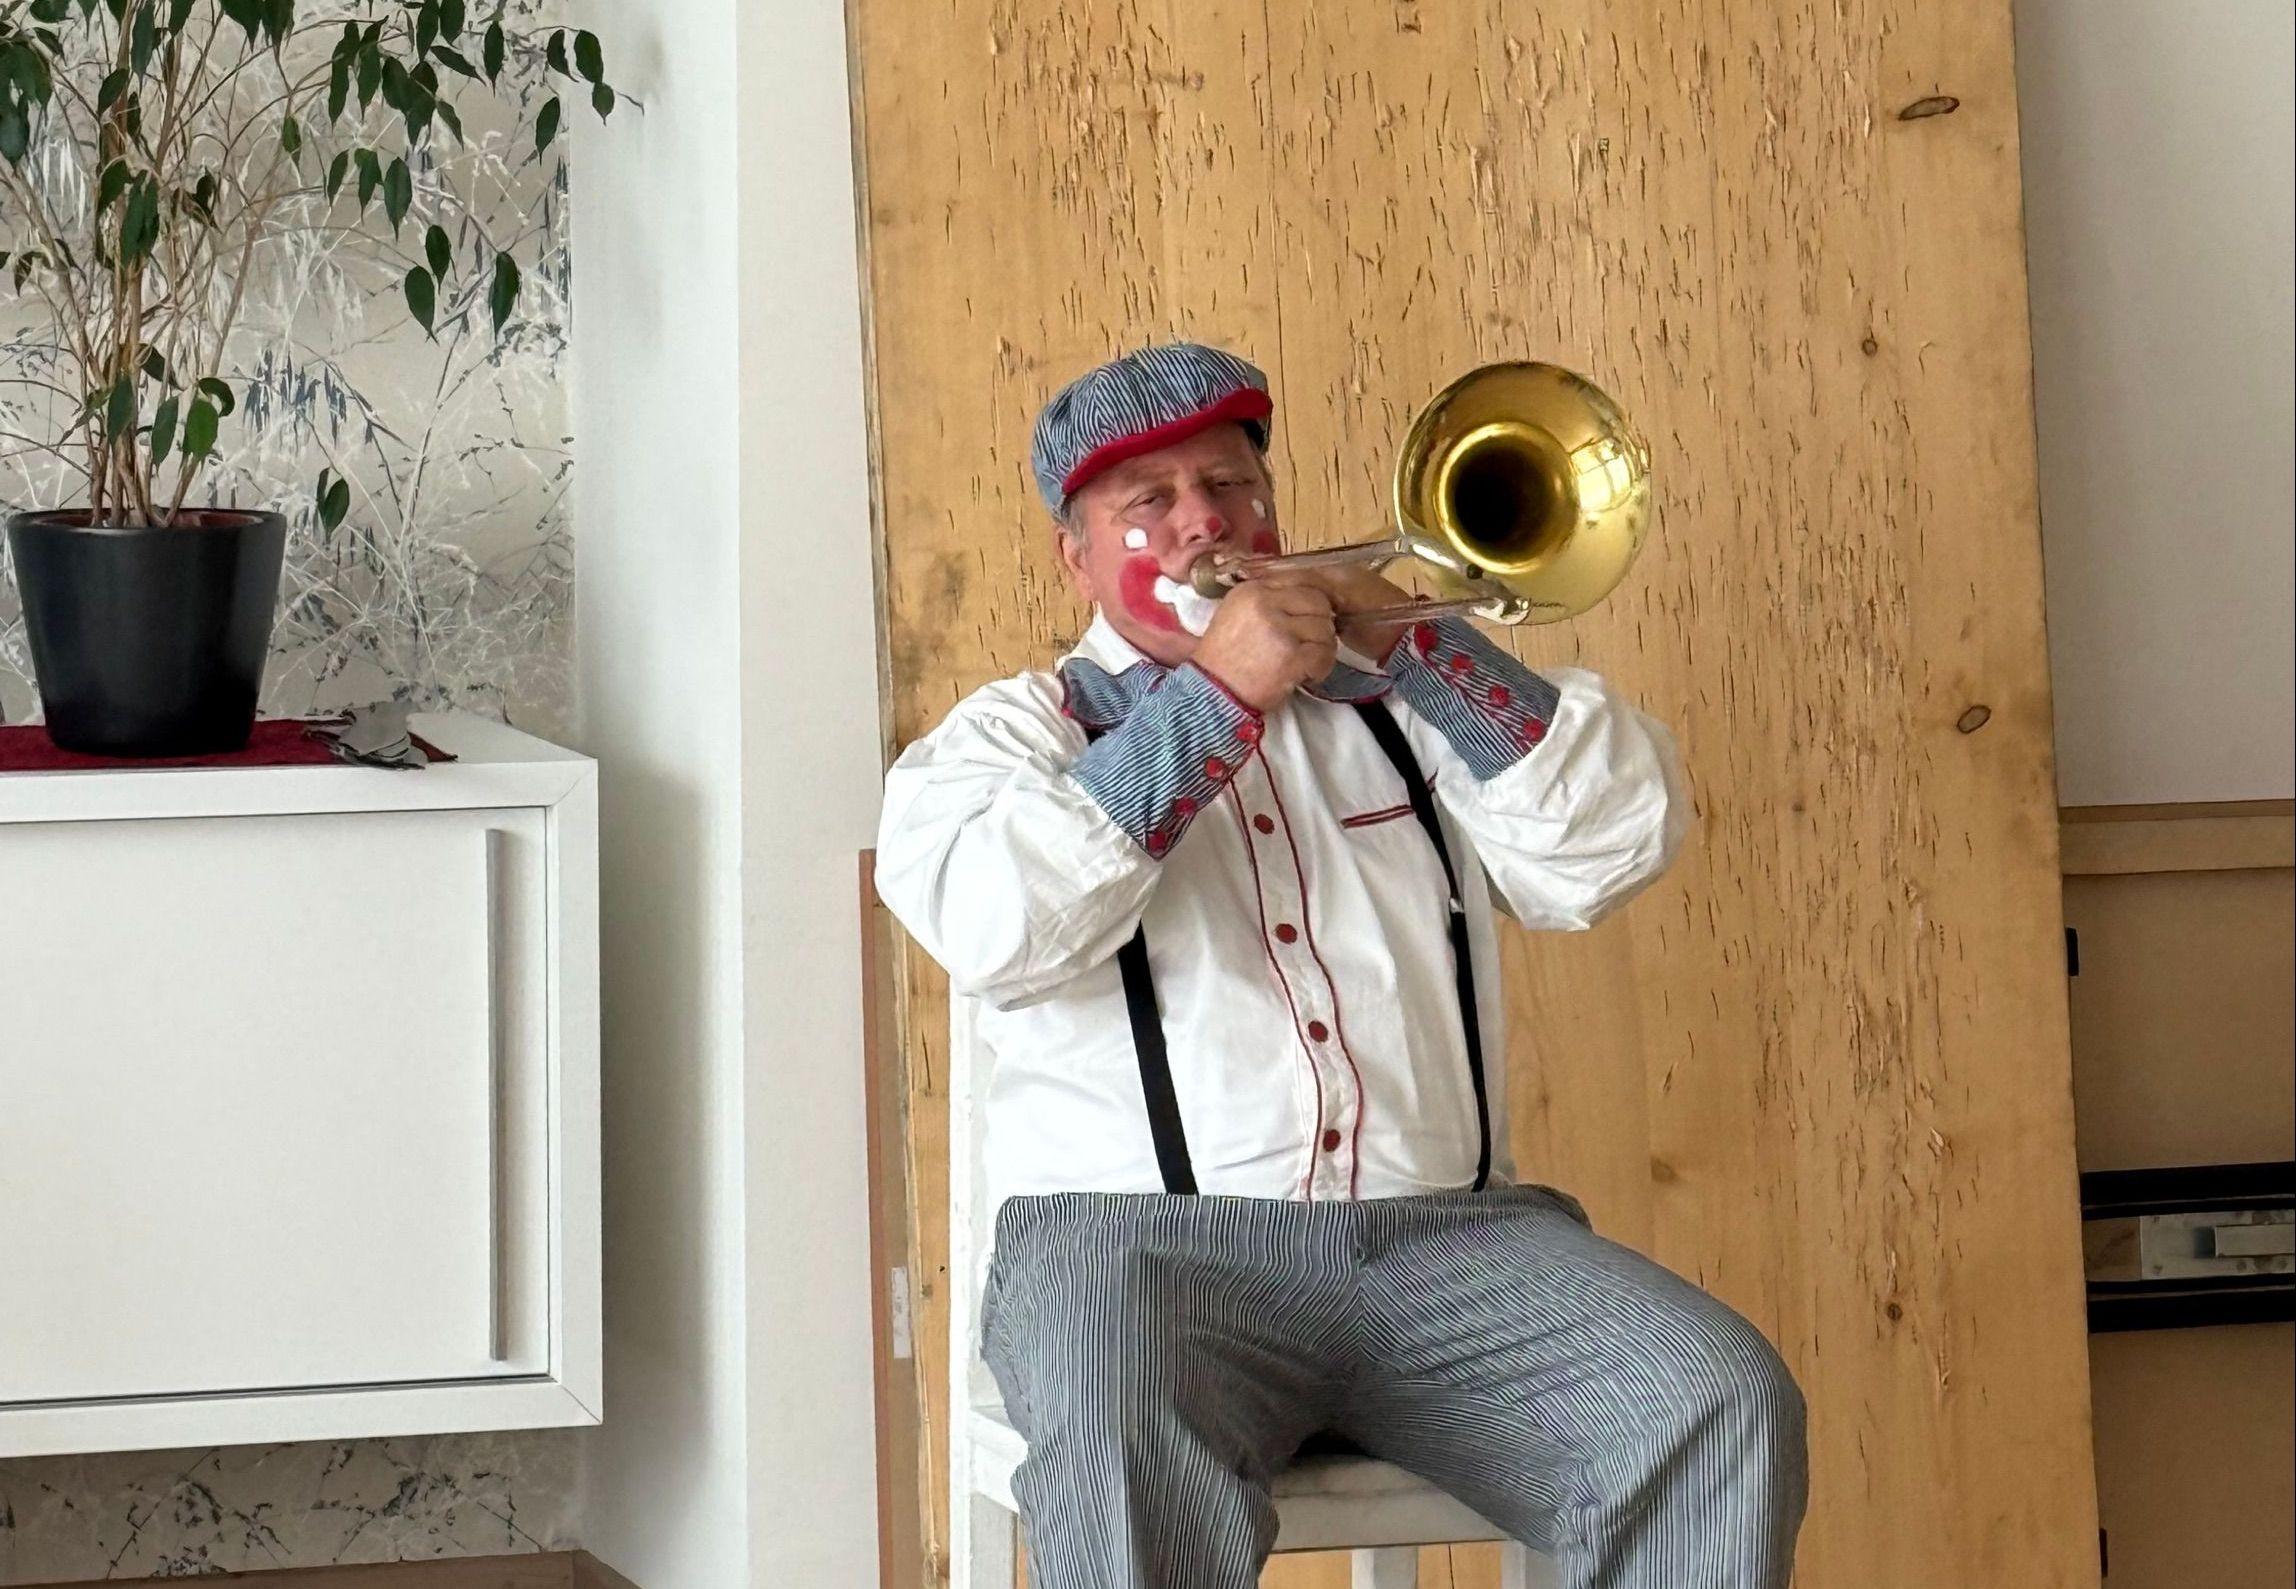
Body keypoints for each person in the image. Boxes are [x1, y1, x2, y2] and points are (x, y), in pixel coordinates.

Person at [874, 342, 1807, 1588]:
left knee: (1712, 1396)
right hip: (1138, 1253)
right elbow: (997, 920)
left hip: (1451, 1247)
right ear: (1075, 556)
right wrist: (1215, 696)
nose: (1203, 519)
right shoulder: (1007, 736)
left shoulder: (1401, 707)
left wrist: (1427, 648)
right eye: (1149, 499)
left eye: (1229, 483)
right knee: (1114, 1425)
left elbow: (1608, 847)